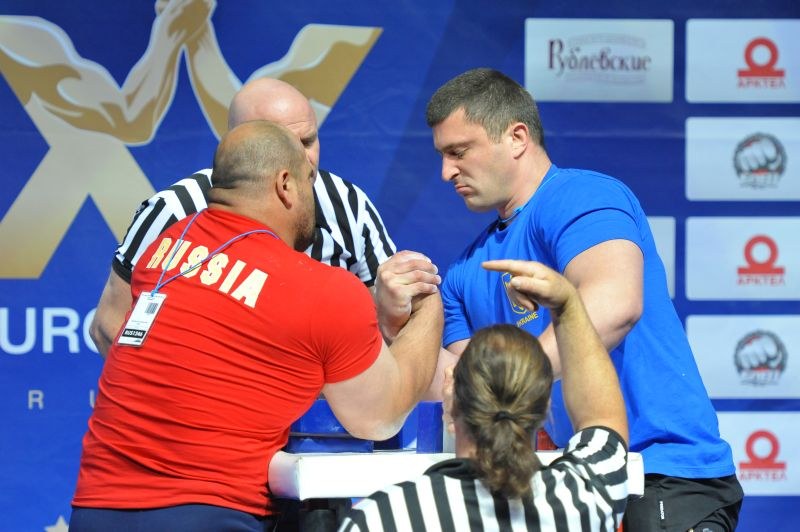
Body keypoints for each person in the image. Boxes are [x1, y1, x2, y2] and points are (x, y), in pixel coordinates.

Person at [70, 120, 443, 531]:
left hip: (94, 511)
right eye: (310, 182)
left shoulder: (163, 251)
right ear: (285, 185)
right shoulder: (321, 289)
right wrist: (427, 304)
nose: (315, 199)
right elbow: (380, 417)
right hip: (211, 514)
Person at [425, 68, 743, 531]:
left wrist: (510, 385)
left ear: (517, 137)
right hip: (564, 487)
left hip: (659, 473)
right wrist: (396, 323)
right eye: (441, 155)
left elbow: (615, 305)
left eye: (458, 151)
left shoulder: (581, 196)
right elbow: (461, 388)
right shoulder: (461, 274)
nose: (446, 172)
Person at [90, 77, 439, 355]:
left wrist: (394, 309)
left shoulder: (348, 204)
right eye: (283, 145)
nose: (304, 160)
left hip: (326, 411)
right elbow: (109, 324)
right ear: (238, 144)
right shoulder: (174, 210)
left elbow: (381, 322)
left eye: (308, 141)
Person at [340, 260, 629, 531]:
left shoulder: (383, 518)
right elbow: (603, 420)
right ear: (543, 408)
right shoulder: (580, 500)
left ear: (450, 400)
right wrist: (567, 305)